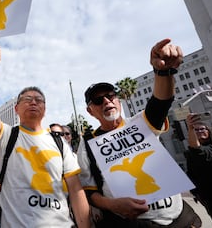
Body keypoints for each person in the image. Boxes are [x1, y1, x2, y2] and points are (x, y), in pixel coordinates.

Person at [77, 38, 201, 227]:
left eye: (111, 96)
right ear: (90, 111)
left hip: (181, 218)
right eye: (98, 100)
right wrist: (112, 205)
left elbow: (160, 103)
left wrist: (163, 72)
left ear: (118, 100)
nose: (107, 102)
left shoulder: (140, 122)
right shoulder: (86, 145)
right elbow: (89, 192)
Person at [0, 37, 91, 227]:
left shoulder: (59, 142)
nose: (33, 102)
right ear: (16, 109)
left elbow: (76, 190)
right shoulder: (7, 135)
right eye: (27, 98)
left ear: (44, 110)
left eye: (39, 99)